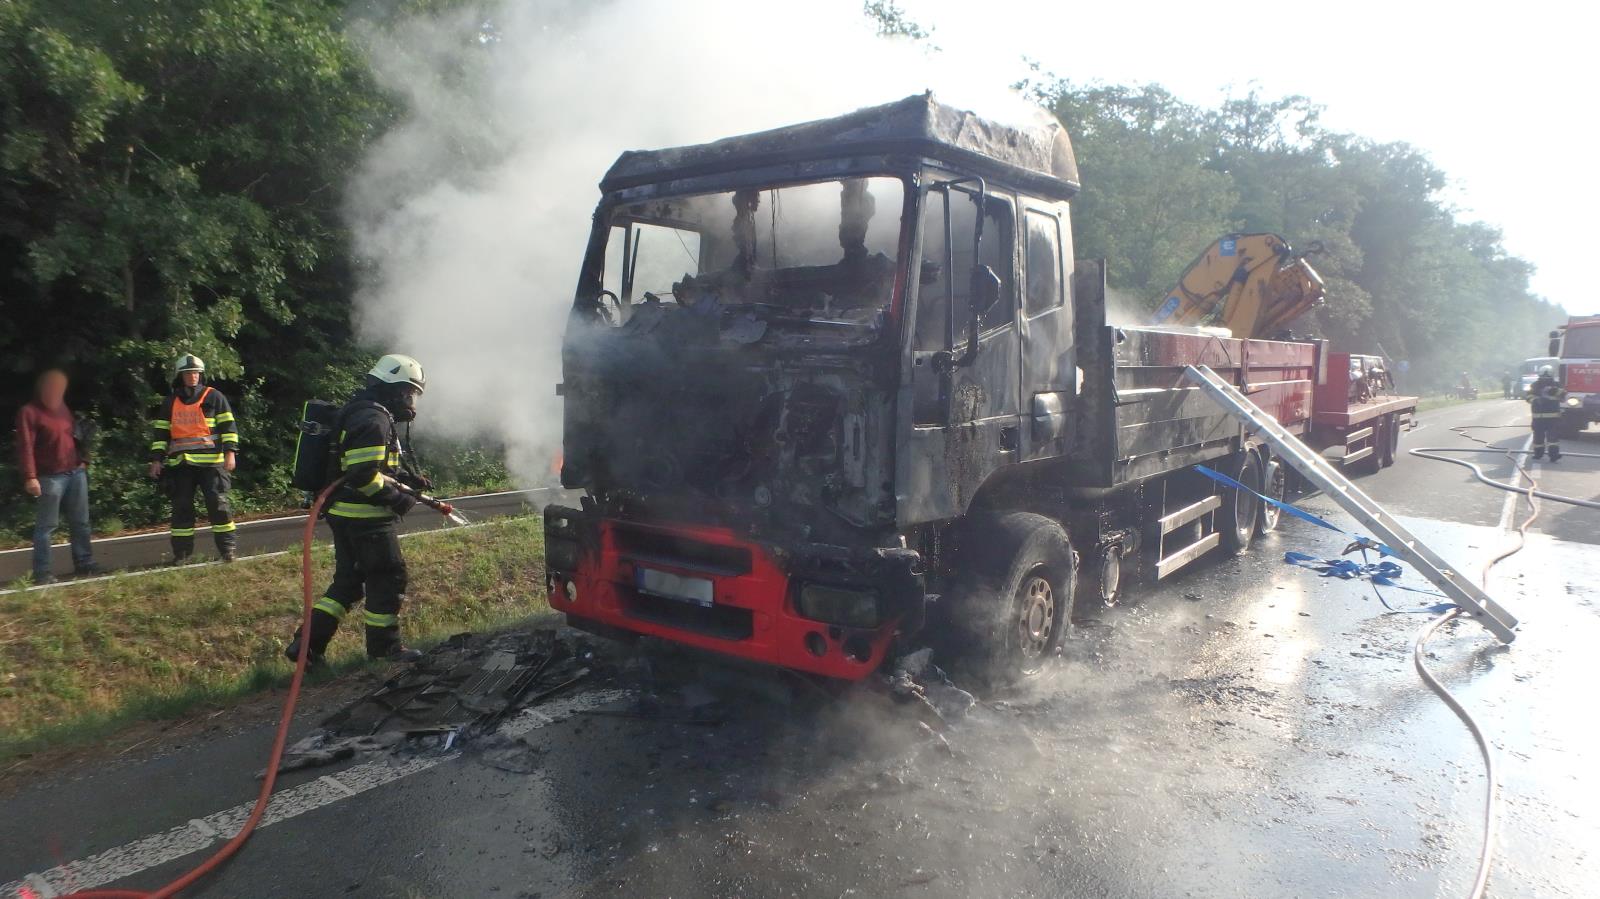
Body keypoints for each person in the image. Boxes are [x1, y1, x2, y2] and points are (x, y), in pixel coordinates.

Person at [286, 354, 431, 665]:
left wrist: (404, 479)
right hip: (366, 518)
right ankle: (385, 650)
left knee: (349, 582)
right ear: (393, 389)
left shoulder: (361, 411)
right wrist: (400, 498)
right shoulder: (374, 419)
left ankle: (306, 646)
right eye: (409, 393)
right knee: (388, 576)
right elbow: (363, 474)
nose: (411, 402)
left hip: (344, 513)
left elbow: (363, 465)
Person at [149, 354, 240, 562]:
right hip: (181, 465)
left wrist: (230, 453)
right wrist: (156, 460)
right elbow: (161, 434)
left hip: (212, 464)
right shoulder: (170, 402)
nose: (193, 377)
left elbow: (229, 428)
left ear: (201, 374)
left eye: (196, 373)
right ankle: (181, 554)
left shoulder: (214, 397)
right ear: (180, 376)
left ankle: (228, 551)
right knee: (181, 509)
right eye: (188, 373)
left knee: (219, 506)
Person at [14, 369, 97, 584]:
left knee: (81, 523)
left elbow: (75, 436)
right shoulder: (29, 412)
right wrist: (30, 476)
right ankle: (43, 573)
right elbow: (25, 447)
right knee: (47, 526)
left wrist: (84, 460)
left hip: (75, 472)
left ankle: (84, 563)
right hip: (50, 477)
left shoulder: (62, 408)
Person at [1526, 365, 1566, 462]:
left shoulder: (1556, 385)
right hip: (1539, 417)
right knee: (1539, 437)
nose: (1545, 378)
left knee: (1552, 438)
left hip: (1551, 418)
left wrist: (1552, 391)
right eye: (1543, 376)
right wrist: (1536, 400)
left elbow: (1563, 395)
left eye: (1547, 376)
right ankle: (1538, 454)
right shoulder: (1535, 385)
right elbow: (1528, 397)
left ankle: (1553, 455)